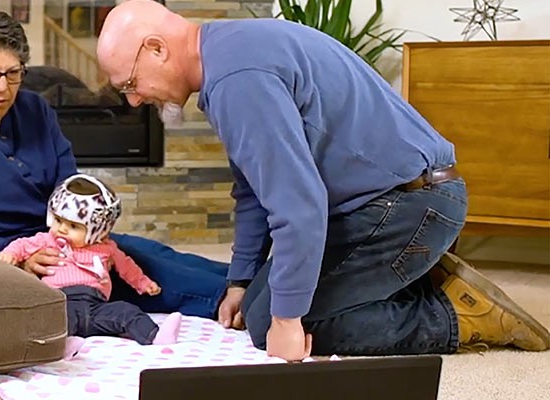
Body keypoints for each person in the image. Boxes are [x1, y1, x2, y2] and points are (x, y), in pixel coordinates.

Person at [94, 0, 550, 361]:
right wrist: (240, 280)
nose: (134, 100)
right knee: (258, 304)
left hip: (411, 204)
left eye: (130, 83)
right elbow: (254, 191)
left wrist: (289, 323)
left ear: (156, 48)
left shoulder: (237, 78)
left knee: (268, 323)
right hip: (391, 200)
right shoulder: (228, 53)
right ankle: (413, 278)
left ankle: (455, 316)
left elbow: (299, 206)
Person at [0, 11, 230, 321]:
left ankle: (249, 279)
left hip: (66, 237)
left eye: (13, 74)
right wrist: (19, 260)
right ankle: (237, 302)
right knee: (159, 275)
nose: (2, 87)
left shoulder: (33, 109)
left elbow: (69, 185)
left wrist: (87, 227)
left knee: (152, 252)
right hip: (20, 259)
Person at [0, 173, 184, 359]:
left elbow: (126, 266)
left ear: (98, 231)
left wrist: (143, 283)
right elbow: (22, 244)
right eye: (59, 220)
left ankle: (156, 336)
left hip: (97, 307)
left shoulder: (107, 249)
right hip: (61, 302)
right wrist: (9, 254)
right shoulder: (48, 241)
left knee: (127, 311)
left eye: (73, 226)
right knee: (50, 323)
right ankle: (60, 348)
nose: (61, 229)